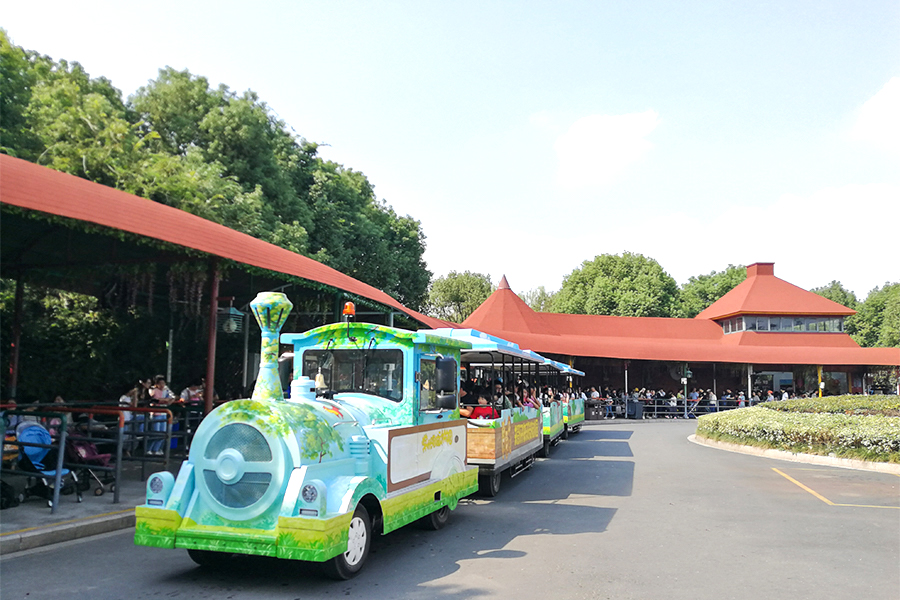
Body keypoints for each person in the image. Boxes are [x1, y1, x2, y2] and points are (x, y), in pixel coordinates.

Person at [147, 375, 174, 456]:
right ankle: (149, 449)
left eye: (163, 383)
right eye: (160, 383)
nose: (162, 385)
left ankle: (156, 449)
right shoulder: (153, 390)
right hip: (156, 413)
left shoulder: (166, 390)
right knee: (156, 433)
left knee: (163, 433)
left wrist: (168, 400)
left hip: (163, 413)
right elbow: (155, 400)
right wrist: (165, 400)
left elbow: (172, 397)